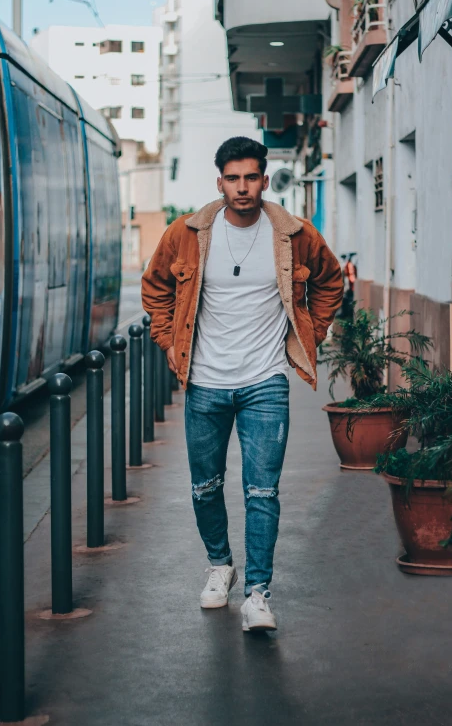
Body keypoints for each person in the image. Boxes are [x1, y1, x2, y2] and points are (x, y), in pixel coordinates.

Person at [142, 137, 343, 632]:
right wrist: (168, 341)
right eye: (233, 178)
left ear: (265, 180)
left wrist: (311, 333)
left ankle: (258, 592)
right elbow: (156, 287)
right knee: (205, 486)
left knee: (262, 492)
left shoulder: (295, 235)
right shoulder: (186, 234)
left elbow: (330, 280)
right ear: (220, 182)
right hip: (205, 382)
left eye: (251, 177)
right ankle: (219, 566)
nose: (242, 187)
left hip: (265, 381)